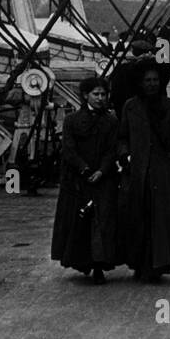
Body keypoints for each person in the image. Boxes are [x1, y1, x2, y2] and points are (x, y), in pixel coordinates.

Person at [118, 59, 170, 282]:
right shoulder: (131, 106)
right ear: (140, 83)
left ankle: (160, 265)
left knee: (161, 219)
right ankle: (139, 264)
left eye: (155, 80)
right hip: (137, 171)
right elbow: (122, 136)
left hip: (162, 172)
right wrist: (125, 156)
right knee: (138, 217)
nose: (151, 84)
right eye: (147, 80)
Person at [51, 76, 120, 284]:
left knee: (102, 222)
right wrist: (85, 169)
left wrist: (102, 170)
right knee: (80, 221)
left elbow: (112, 148)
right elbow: (69, 150)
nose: (100, 98)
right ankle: (84, 261)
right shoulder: (72, 120)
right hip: (78, 180)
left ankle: (99, 265)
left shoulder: (111, 120)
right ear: (85, 95)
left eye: (103, 94)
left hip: (103, 178)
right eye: (96, 94)